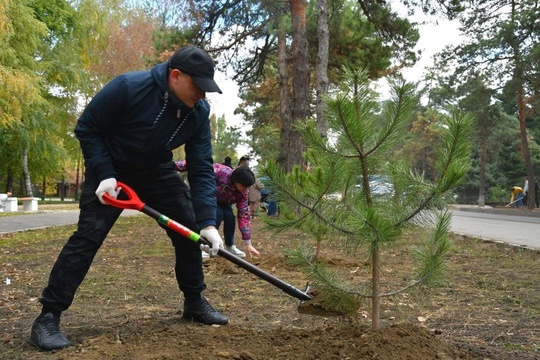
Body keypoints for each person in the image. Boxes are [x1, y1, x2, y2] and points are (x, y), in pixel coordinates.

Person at [29, 46, 228, 352]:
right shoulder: (128, 87)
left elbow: (201, 166)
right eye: (198, 87)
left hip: (155, 171)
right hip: (110, 169)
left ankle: (194, 301)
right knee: (88, 236)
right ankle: (48, 316)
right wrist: (105, 171)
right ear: (176, 76)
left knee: (187, 228)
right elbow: (88, 128)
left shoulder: (198, 112)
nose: (202, 96)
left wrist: (208, 222)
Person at [176, 160, 261, 259]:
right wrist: (174, 166)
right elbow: (200, 165)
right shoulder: (221, 171)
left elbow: (244, 214)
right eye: (244, 186)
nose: (245, 189)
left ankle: (230, 246)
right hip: (207, 198)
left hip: (224, 203)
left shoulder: (243, 192)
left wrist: (248, 243)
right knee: (217, 214)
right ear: (236, 181)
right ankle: (204, 244)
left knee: (230, 217)